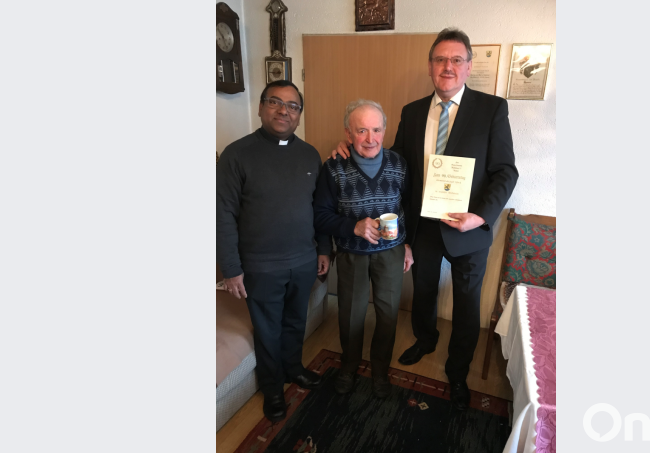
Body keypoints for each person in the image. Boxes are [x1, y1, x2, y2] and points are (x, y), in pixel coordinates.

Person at [331, 28, 519, 410]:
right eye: (439, 60)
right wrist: (352, 149)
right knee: (424, 293)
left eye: (455, 60)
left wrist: (480, 216)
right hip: (423, 226)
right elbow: (395, 161)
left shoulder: (492, 109)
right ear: (430, 67)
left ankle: (457, 370)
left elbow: (505, 172)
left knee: (467, 304)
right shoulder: (413, 111)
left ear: (468, 67)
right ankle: (425, 339)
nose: (446, 67)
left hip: (468, 229)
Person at [217, 80, 331, 422]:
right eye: (274, 102)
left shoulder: (310, 154)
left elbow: (320, 208)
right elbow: (222, 214)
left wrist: (323, 249)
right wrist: (231, 268)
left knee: (296, 320)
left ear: (299, 115)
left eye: (293, 105)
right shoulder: (237, 154)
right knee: (268, 330)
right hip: (260, 266)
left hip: (304, 260)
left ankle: (293, 368)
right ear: (261, 107)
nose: (284, 110)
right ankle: (272, 389)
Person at [314, 100, 413, 398]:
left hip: (392, 252)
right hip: (351, 253)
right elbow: (320, 215)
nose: (370, 138)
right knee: (351, 314)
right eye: (361, 131)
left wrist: (408, 244)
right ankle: (349, 364)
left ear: (384, 130)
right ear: (348, 133)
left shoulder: (399, 164)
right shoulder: (333, 168)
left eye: (376, 129)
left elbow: (409, 206)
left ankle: (380, 368)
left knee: (387, 313)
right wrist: (353, 227)